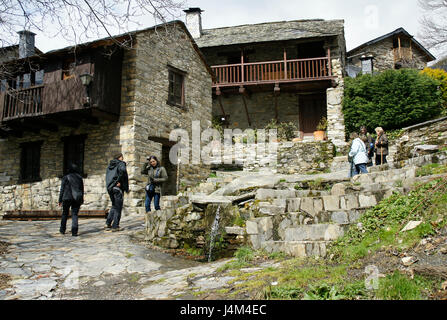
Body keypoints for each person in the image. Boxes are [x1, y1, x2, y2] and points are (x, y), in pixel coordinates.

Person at [58, 163, 84, 236]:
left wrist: (60, 200)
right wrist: (81, 198)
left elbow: (62, 189)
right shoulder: (79, 178)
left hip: (66, 197)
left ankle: (62, 229)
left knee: (65, 214)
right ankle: (74, 231)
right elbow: (81, 189)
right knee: (75, 214)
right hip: (76, 198)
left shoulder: (65, 177)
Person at [105, 153, 129, 232]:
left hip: (110, 187)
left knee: (114, 205)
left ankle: (108, 223)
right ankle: (115, 225)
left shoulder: (110, 165)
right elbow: (122, 171)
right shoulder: (121, 163)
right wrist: (119, 181)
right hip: (117, 188)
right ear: (120, 157)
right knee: (118, 207)